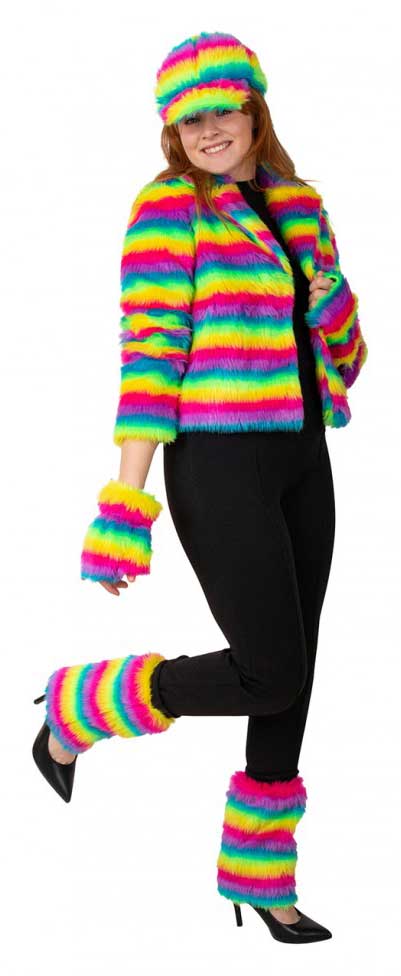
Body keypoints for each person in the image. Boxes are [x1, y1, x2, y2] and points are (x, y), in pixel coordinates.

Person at [32, 30, 368, 945]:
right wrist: (124, 506)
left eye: (222, 110)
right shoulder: (168, 211)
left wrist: (331, 300)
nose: (208, 130)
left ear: (254, 110)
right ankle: (87, 704)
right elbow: (149, 357)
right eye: (189, 121)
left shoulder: (299, 205)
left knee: (292, 679)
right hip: (216, 460)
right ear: (172, 134)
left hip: (303, 457)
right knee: (268, 669)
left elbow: (345, 358)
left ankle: (262, 878)